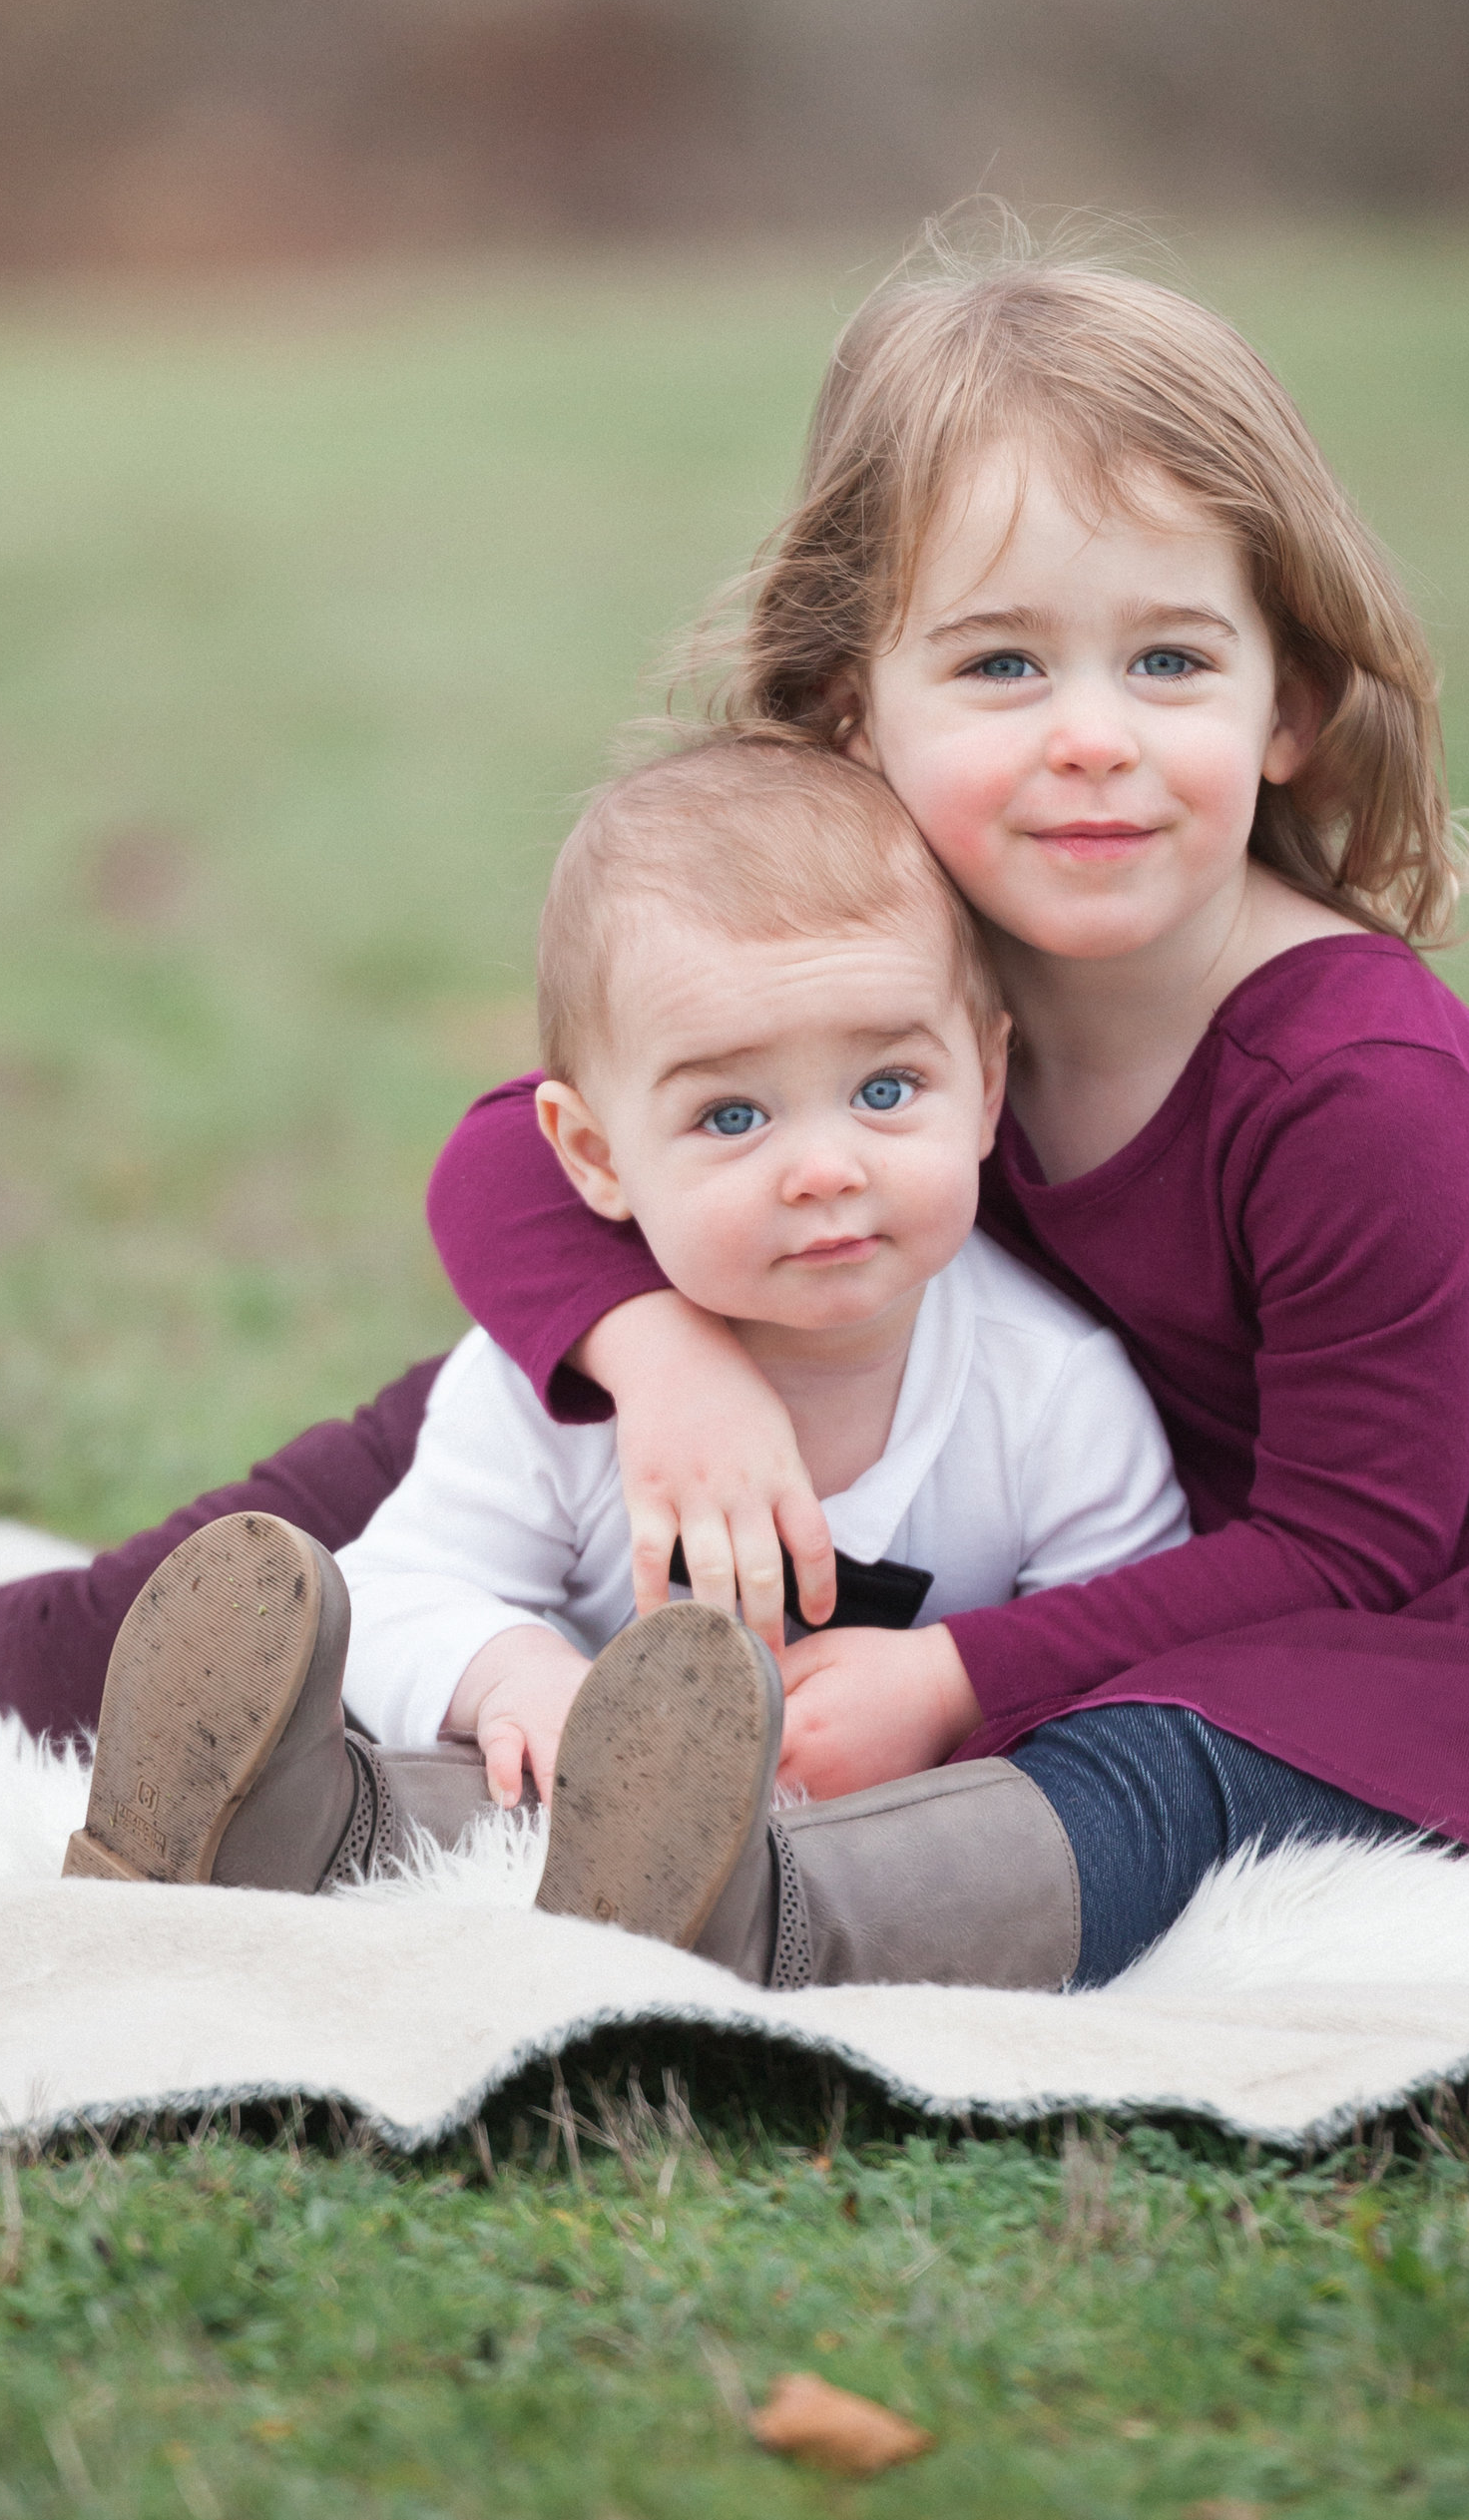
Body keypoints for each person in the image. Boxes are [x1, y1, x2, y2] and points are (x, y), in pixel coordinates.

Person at [0, 239, 1469, 1993]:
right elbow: (521, 1154)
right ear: (855, 702)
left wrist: (956, 1683)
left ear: (1286, 700)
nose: (1088, 741)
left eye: (1166, 659)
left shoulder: (1350, 1089)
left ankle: (776, 1915)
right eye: (996, 663)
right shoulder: (930, 928)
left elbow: (1351, 1541)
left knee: (1184, 1737)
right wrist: (654, 1351)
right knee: (470, 1415)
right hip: (1166, 1524)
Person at [58, 731, 1187, 1951]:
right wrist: (518, 1680)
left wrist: (955, 1702)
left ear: (984, 1080)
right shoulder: (560, 1388)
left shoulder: (1053, 1391)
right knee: (472, 1795)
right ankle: (279, 1824)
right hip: (566, 1823)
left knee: (998, 1821)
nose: (824, 1168)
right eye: (733, 1114)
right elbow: (394, 1590)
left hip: (869, 1845)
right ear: (593, 1157)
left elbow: (1135, 1655)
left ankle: (750, 1905)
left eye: (884, 1089)